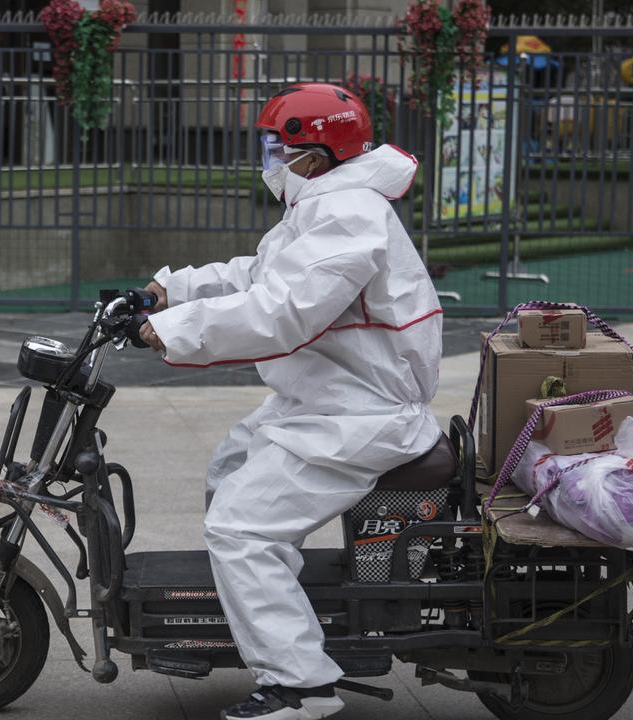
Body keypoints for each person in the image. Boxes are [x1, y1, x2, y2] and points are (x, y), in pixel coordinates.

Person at [137, 83, 443, 720]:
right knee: (228, 468)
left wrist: (171, 331)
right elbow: (260, 273)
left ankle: (300, 686)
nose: (268, 158)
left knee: (240, 529)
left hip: (359, 414)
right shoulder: (324, 205)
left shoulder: (349, 214)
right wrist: (171, 290)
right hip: (327, 398)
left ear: (319, 152)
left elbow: (282, 310)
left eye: (277, 147)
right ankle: (263, 616)